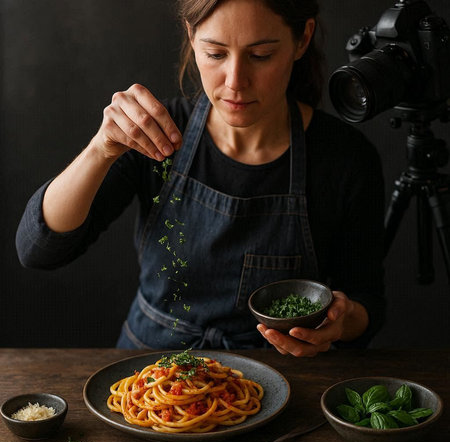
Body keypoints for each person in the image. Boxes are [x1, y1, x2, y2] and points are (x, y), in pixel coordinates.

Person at [16, 0, 385, 356]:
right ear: (191, 36)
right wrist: (101, 149)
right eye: (216, 53)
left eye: (261, 55)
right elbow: (39, 250)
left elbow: (367, 304)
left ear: (302, 39)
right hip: (149, 372)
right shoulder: (154, 135)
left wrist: (341, 321)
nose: (235, 81)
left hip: (277, 377)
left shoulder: (345, 158)